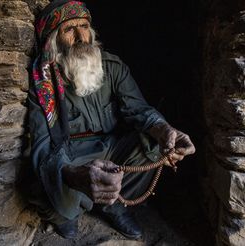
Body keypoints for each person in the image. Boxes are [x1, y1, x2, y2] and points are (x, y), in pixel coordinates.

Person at [28, 0, 195, 240]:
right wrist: (74, 175)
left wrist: (165, 130)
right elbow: (43, 148)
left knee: (153, 143)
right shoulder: (42, 83)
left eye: (84, 26)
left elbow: (139, 111)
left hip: (111, 149)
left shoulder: (112, 67)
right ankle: (67, 213)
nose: (80, 36)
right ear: (53, 39)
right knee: (47, 185)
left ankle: (112, 206)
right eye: (68, 29)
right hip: (69, 156)